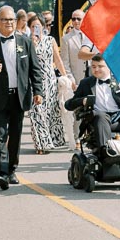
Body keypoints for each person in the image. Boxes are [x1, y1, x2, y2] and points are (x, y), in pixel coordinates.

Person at [0, 6, 45, 190]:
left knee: (15, 136)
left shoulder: (25, 42)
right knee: (0, 134)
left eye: (12, 20)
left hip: (18, 98)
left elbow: (34, 69)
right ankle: (3, 173)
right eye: (5, 20)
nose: (9, 23)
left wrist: (38, 91)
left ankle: (12, 170)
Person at [71, 54, 120, 154]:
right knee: (101, 116)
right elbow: (69, 104)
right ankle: (105, 150)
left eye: (100, 66)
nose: (96, 69)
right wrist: (82, 100)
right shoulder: (86, 83)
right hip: (99, 117)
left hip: (119, 115)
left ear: (109, 67)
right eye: (93, 67)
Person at [27, 15, 70, 154]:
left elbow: (57, 60)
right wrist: (32, 44)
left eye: (38, 26)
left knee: (51, 111)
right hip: (34, 80)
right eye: (33, 26)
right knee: (37, 112)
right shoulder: (27, 42)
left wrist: (65, 77)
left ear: (44, 27)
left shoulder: (50, 40)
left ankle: (53, 139)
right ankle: (41, 144)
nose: (36, 29)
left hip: (50, 80)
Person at [61, 9, 97, 82]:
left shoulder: (92, 35)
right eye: (73, 19)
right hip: (77, 79)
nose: (76, 21)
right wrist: (71, 79)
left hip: (93, 75)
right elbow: (65, 63)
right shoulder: (66, 39)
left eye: (78, 19)